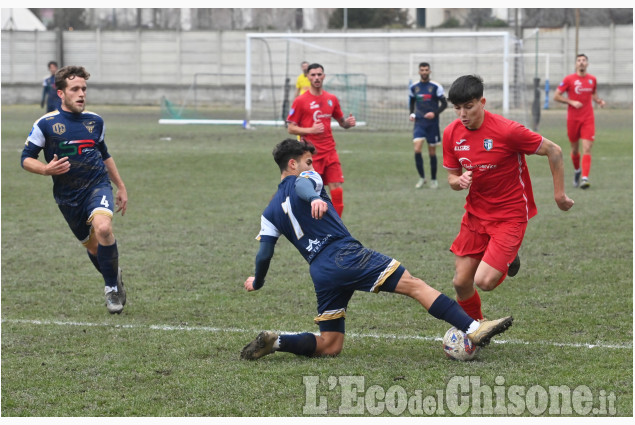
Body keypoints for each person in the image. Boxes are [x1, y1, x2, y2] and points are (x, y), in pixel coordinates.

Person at [240, 138, 513, 360]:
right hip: (345, 254)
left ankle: (277, 342)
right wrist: (313, 198)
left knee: (330, 344)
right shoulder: (307, 176)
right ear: (292, 163)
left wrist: (259, 281)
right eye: (308, 161)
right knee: (415, 285)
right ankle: (474, 328)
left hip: (320, 270)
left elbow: (264, 254)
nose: (312, 166)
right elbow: (301, 184)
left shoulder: (269, 211)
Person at [442, 75, 574, 321]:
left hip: (510, 215)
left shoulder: (507, 131)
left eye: (468, 107)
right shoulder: (451, 133)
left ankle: (509, 258)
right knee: (461, 282)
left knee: (484, 281)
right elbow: (451, 176)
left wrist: (559, 195)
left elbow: (553, 150)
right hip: (475, 215)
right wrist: (458, 182)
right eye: (457, 108)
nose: (462, 114)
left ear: (483, 102)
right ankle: (476, 326)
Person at [21, 65, 128, 314]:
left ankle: (111, 288)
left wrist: (120, 186)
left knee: (103, 227)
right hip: (68, 196)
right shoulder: (45, 124)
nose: (81, 94)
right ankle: (114, 274)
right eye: (75, 89)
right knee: (93, 248)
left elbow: (104, 155)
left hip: (96, 185)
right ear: (61, 93)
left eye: (84, 89)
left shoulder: (95, 121)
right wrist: (46, 170)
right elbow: (26, 158)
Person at [287, 63, 356, 217]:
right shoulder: (300, 101)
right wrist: (310, 130)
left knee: (337, 189)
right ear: (308, 77)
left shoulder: (331, 99)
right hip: (311, 156)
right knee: (312, 193)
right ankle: (310, 224)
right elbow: (291, 128)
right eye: (313, 75)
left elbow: (341, 121)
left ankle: (337, 227)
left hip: (330, 151)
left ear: (324, 76)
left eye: (319, 74)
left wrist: (347, 124)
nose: (316, 78)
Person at [553, 53, 606, 189]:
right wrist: (571, 101)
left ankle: (584, 178)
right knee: (575, 150)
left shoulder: (592, 79)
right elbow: (556, 96)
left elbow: (593, 92)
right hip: (573, 119)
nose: (581, 63)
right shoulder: (569, 79)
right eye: (579, 60)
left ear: (587, 64)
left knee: (587, 147)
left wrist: (598, 100)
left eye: (584, 60)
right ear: (576, 64)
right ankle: (577, 171)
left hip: (588, 117)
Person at [409, 62, 447, 189]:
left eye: (426, 70)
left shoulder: (436, 87)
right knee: (417, 149)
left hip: (432, 124)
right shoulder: (414, 87)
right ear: (419, 72)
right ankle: (422, 178)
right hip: (419, 123)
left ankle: (434, 179)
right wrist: (412, 114)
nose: (424, 72)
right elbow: (412, 102)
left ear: (429, 71)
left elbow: (444, 104)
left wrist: (435, 113)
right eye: (422, 70)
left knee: (432, 153)